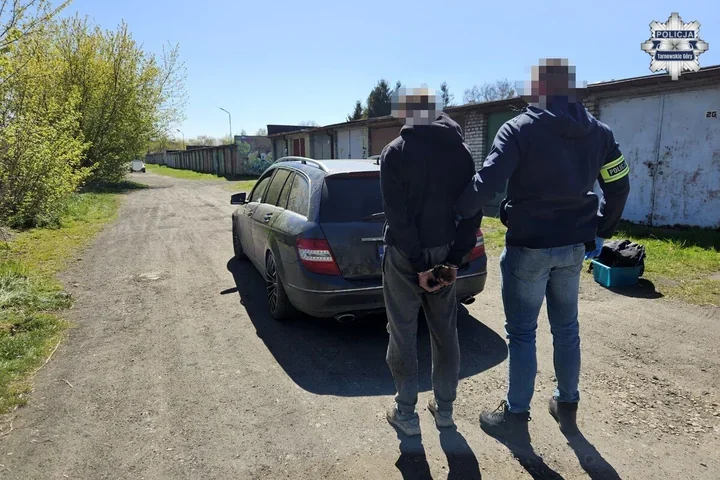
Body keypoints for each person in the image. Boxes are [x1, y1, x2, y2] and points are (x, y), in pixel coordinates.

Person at [453, 59, 631, 438]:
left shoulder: (518, 129)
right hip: (573, 247)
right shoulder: (601, 133)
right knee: (567, 329)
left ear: (538, 89)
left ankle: (516, 416)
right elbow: (619, 186)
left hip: (529, 248)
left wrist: (455, 211)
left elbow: (487, 183)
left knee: (522, 333)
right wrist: (600, 228)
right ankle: (567, 404)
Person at [381, 87, 483, 436]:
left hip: (405, 256)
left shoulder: (395, 152)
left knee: (403, 331)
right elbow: (472, 210)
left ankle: (406, 413)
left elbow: (397, 216)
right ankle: (445, 410)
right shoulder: (462, 152)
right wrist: (454, 259)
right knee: (444, 331)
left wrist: (417, 263)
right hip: (445, 251)